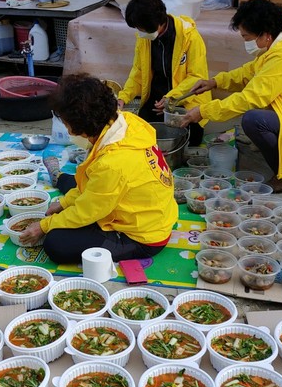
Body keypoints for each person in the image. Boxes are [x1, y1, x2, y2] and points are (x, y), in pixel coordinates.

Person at [180, 0, 282, 193]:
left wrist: (203, 111)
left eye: (246, 37)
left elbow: (250, 98)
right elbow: (249, 72)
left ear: (266, 35)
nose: (246, 43)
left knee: (253, 120)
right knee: (258, 112)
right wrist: (215, 82)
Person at [22, 74, 178, 264]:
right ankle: (59, 177)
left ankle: (60, 181)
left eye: (67, 124)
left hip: (142, 235)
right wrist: (63, 204)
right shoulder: (126, 121)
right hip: (139, 206)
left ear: (82, 125)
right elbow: (91, 185)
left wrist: (44, 226)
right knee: (75, 182)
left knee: (56, 244)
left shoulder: (112, 164)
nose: (68, 131)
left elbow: (86, 212)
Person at [117, 0, 211, 145]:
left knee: (189, 142)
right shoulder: (144, 39)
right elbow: (138, 73)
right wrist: (123, 97)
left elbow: (197, 77)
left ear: (157, 22)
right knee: (142, 138)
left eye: (141, 29)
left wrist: (171, 98)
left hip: (185, 100)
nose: (139, 33)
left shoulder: (190, 37)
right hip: (156, 102)